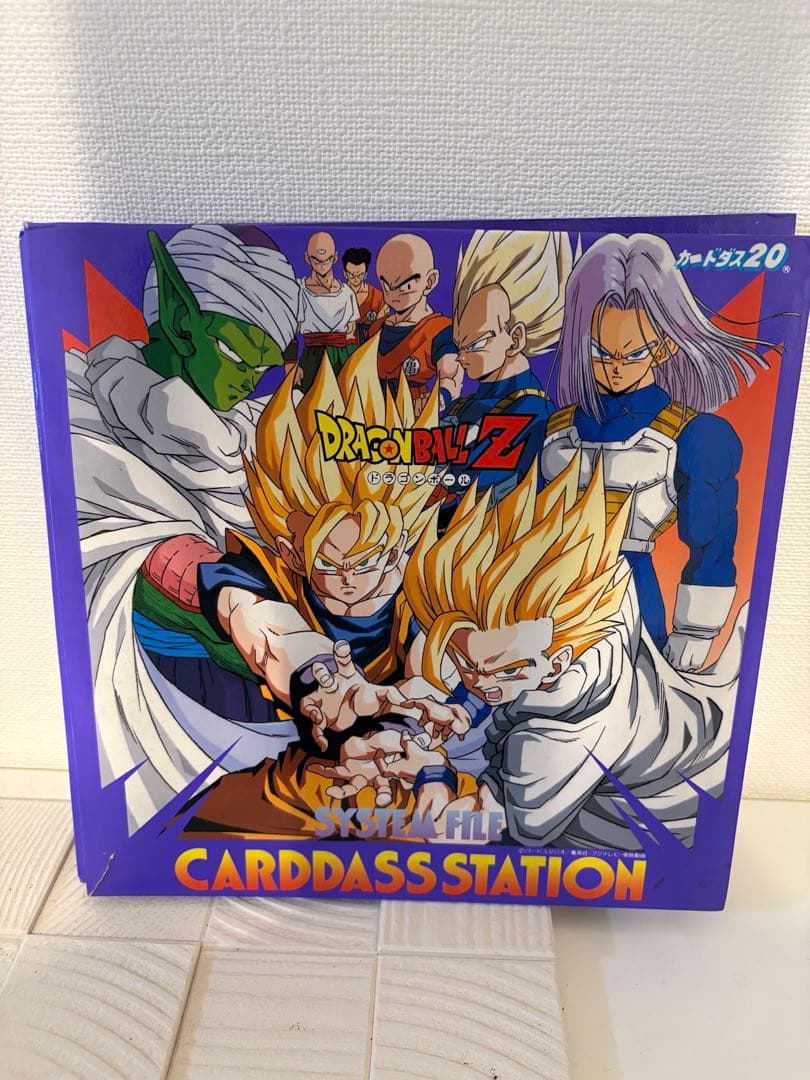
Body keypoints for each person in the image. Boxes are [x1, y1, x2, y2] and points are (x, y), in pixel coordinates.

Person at [66, 223, 300, 829]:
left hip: (272, 698)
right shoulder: (78, 399)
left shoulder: (259, 430)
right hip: (153, 694)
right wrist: (228, 593)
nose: (251, 380)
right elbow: (121, 536)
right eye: (239, 354)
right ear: (179, 318)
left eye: (265, 366)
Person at [542, 232, 772, 670]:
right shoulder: (554, 431)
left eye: (631, 354)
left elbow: (711, 540)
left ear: (664, 347)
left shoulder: (694, 434)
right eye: (599, 351)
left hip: (629, 596)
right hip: (547, 598)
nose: (614, 367)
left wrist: (695, 632)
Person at [443, 229, 572, 501]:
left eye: (474, 344)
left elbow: (471, 486)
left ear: (514, 339)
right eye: (458, 345)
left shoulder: (533, 413)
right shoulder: (463, 407)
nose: (462, 356)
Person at [367, 233, 462, 410]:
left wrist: (439, 399)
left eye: (405, 286)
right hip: (372, 412)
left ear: (430, 281)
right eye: (386, 286)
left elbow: (451, 376)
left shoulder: (439, 330)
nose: (393, 295)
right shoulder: (376, 329)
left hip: (413, 412)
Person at [295, 231, 359, 391]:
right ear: (307, 258)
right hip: (312, 357)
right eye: (316, 260)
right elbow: (290, 332)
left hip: (342, 357)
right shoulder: (299, 289)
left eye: (327, 260)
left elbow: (351, 335)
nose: (322, 265)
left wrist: (355, 365)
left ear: (335, 258)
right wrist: (291, 364)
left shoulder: (347, 293)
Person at [342, 245, 387, 342]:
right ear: (345, 274)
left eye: (360, 275)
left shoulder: (378, 297)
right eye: (352, 275)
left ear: (365, 274)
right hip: (343, 345)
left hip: (370, 345)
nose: (356, 279)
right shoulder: (337, 296)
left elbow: (383, 329)